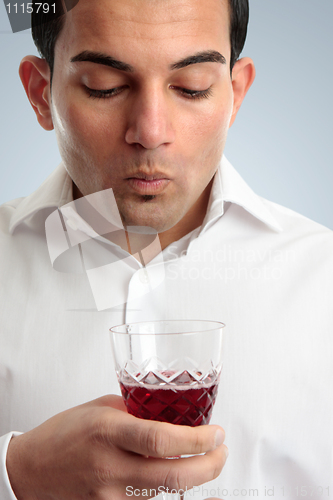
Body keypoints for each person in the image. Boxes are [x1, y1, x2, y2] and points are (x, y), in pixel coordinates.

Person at [0, 0, 332, 499]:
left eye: (192, 87)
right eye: (104, 87)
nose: (151, 132)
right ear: (40, 94)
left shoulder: (322, 276)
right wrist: (15, 474)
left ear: (236, 93)